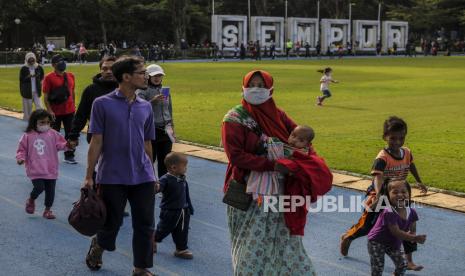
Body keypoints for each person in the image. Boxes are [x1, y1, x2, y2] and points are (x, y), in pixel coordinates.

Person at [221, 70, 316, 275]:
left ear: (271, 89)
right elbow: (236, 156)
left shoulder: (279, 115)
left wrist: (307, 161)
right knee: (250, 245)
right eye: (252, 84)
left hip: (280, 190)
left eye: (261, 85)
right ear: (243, 87)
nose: (256, 89)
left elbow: (303, 142)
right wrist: (272, 164)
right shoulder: (234, 119)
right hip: (248, 191)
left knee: (285, 241)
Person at [83, 56, 156, 276]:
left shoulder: (146, 107)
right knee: (112, 224)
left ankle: (141, 268)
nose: (146, 76)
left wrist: (152, 174)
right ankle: (99, 245)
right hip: (112, 176)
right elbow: (96, 141)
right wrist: (89, 176)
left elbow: (147, 143)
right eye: (142, 72)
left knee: (145, 224)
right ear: (126, 77)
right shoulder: (102, 104)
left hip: (142, 176)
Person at [340, 116, 428, 271]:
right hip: (380, 194)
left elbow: (411, 165)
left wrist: (419, 181)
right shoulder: (382, 157)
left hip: (400, 195)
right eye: (392, 138)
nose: (397, 142)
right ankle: (348, 236)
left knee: (408, 225)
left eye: (401, 138)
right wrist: (380, 196)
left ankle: (409, 261)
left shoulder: (406, 152)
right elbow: (378, 177)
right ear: (385, 137)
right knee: (368, 226)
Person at [16, 110, 72, 219]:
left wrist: (69, 145)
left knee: (51, 192)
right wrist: (20, 158)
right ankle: (31, 199)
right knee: (39, 187)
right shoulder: (28, 136)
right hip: (35, 169)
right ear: (34, 122)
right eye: (42, 122)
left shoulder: (53, 134)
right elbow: (21, 149)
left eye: (47, 122)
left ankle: (47, 211)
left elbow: (61, 145)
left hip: (50, 169)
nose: (45, 125)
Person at [367, 179, 427, 276]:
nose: (400, 195)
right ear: (388, 196)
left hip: (393, 243)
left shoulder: (412, 212)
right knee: (378, 268)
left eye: (403, 192)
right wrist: (414, 238)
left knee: (402, 264)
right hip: (376, 242)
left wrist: (413, 236)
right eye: (395, 192)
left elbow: (412, 230)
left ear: (409, 194)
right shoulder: (389, 212)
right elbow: (396, 232)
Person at [69, 56, 118, 145]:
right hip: (96, 138)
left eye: (112, 69)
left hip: (120, 137)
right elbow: (81, 114)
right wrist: (73, 136)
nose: (109, 71)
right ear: (100, 70)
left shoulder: (124, 89)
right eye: (105, 69)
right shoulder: (90, 90)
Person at [136, 64, 175, 177]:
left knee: (166, 160)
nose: (157, 78)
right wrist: (153, 100)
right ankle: (147, 184)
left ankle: (163, 186)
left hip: (166, 130)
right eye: (154, 75)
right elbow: (138, 108)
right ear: (148, 76)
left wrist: (172, 126)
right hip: (151, 130)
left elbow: (169, 108)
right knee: (149, 160)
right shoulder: (142, 90)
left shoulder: (165, 90)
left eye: (159, 75)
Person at [154, 152, 194, 259]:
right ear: (174, 167)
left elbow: (186, 194)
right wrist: (156, 187)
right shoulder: (166, 179)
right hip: (170, 211)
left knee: (182, 230)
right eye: (184, 166)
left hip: (183, 210)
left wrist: (189, 207)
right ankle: (153, 240)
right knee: (163, 228)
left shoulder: (182, 179)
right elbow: (159, 187)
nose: (186, 168)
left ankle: (181, 249)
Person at [42, 54, 77, 164]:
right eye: (59, 61)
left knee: (70, 134)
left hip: (69, 111)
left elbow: (72, 92)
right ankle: (50, 156)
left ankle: (69, 155)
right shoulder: (48, 77)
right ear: (53, 65)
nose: (62, 62)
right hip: (55, 112)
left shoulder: (71, 76)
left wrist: (74, 105)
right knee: (52, 135)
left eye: (63, 60)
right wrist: (49, 110)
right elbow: (46, 96)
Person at [19, 52, 44, 121]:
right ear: (27, 60)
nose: (32, 61)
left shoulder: (38, 67)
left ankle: (41, 121)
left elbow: (42, 76)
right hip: (27, 91)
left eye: (33, 60)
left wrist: (39, 81)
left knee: (39, 106)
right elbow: (21, 80)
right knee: (27, 109)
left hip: (37, 90)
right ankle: (27, 122)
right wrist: (28, 77)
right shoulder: (24, 68)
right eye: (30, 60)